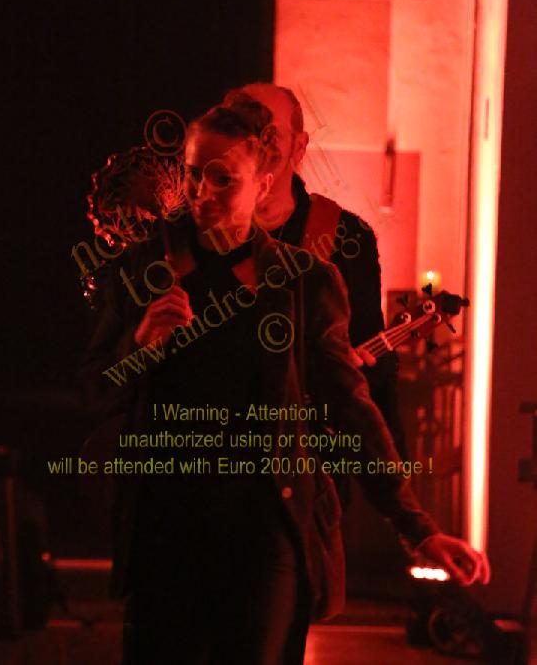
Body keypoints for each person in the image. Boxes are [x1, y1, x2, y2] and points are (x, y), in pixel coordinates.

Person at [81, 97, 489, 665]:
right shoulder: (141, 270)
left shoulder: (303, 282)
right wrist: (140, 346)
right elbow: (96, 391)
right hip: (167, 526)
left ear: (263, 183)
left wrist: (417, 528)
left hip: (265, 525)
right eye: (194, 175)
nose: (203, 193)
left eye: (224, 179)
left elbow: (352, 405)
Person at [223, 82, 407, 456]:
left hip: (309, 463)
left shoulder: (344, 236)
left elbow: (370, 352)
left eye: (270, 132)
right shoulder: (193, 233)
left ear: (299, 146)